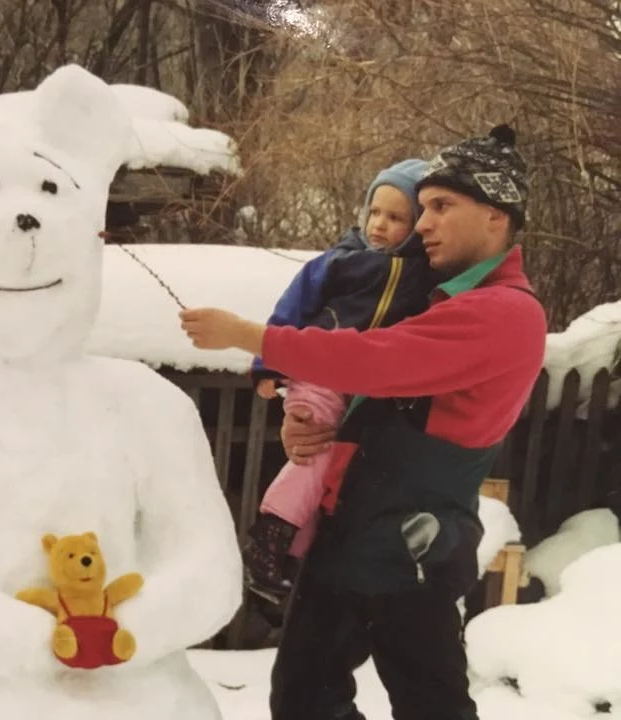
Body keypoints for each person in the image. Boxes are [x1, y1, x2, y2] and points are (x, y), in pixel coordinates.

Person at [180, 125, 547, 720]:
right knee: (303, 696)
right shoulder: (434, 297)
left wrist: (249, 337)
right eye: (421, 207)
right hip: (348, 537)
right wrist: (303, 423)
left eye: (441, 206)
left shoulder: (503, 313)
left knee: (431, 707)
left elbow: (375, 362)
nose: (421, 223)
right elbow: (363, 392)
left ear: (496, 215)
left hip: (411, 553)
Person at [245, 158, 440, 602]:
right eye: (375, 212)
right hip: (317, 367)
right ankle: (267, 541)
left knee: (331, 465)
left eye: (395, 218)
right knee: (311, 451)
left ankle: (288, 560)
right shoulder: (340, 261)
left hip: (360, 388)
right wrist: (266, 365)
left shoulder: (420, 273)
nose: (379, 225)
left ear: (415, 226)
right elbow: (290, 309)